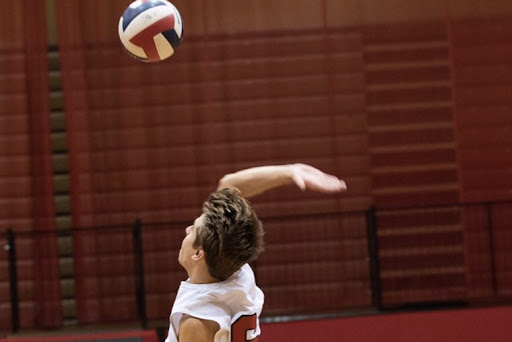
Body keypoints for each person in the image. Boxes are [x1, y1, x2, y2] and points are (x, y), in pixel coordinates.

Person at [165, 163, 346, 342]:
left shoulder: (197, 318)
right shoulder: (237, 270)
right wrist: (290, 171)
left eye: (193, 229)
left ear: (198, 254)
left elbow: (231, 185)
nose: (187, 230)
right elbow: (230, 184)